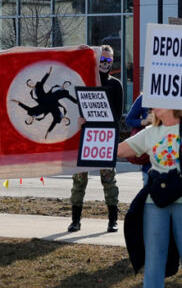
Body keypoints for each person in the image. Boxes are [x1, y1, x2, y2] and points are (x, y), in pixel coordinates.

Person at [119, 62, 182, 288]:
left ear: (172, 102)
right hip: (155, 200)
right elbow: (118, 150)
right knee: (154, 258)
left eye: (156, 100)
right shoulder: (150, 133)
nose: (151, 105)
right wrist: (87, 131)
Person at [125, 45, 182, 186]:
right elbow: (128, 120)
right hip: (150, 164)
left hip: (176, 165)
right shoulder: (144, 99)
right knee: (152, 196)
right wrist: (143, 122)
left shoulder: (174, 98)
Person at [68, 45, 123, 233]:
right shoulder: (86, 81)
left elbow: (118, 116)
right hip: (85, 138)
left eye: (109, 60)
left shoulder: (116, 85)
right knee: (79, 181)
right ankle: (75, 221)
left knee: (109, 181)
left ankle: (113, 220)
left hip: (104, 138)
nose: (105, 64)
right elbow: (76, 107)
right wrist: (80, 119)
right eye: (102, 60)